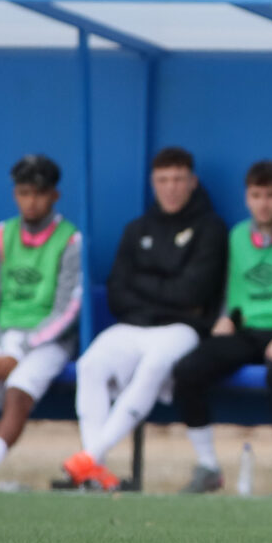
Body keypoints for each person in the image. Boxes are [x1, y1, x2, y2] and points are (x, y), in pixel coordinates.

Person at [62, 147, 227, 490]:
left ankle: (90, 456)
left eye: (178, 179)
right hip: (134, 326)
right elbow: (118, 292)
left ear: (192, 182)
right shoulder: (137, 229)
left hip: (183, 330)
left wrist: (148, 290)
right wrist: (168, 293)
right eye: (163, 180)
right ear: (153, 183)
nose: (171, 187)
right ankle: (94, 469)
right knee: (90, 364)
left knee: (154, 365)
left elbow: (193, 294)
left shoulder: (211, 228)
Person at [172, 160, 272, 496]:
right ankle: (208, 467)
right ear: (247, 198)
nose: (263, 203)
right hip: (249, 332)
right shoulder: (237, 235)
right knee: (187, 369)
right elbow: (232, 293)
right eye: (256, 195)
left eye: (271, 195)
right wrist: (226, 317)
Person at [0, 156, 82, 473]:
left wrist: (19, 349)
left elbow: (69, 309)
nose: (31, 201)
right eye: (23, 192)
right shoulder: (2, 234)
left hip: (49, 342)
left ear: (54, 195)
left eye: (39, 193)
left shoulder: (70, 239)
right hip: (4, 336)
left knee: (19, 390)